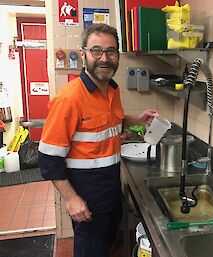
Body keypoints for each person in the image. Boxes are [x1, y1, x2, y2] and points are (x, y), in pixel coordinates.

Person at [38, 23, 157, 257]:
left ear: (117, 56)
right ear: (83, 54)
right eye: (96, 51)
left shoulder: (111, 90)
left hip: (110, 188)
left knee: (106, 244)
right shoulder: (69, 99)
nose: (104, 58)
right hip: (86, 194)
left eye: (111, 51)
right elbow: (48, 159)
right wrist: (72, 200)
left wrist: (137, 119)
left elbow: (109, 121)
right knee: (90, 249)